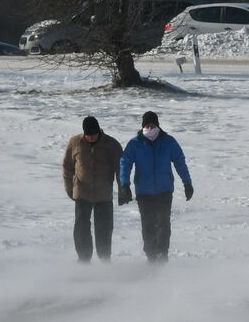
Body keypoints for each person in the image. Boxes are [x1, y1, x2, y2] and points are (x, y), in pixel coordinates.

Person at [119, 111, 194, 262]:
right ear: (143, 127)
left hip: (164, 190)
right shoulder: (135, 143)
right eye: (147, 126)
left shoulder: (168, 142)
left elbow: (180, 161)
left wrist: (187, 182)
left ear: (157, 125)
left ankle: (162, 254)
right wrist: (124, 184)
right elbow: (125, 163)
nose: (150, 128)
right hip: (144, 192)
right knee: (148, 225)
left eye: (152, 125)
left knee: (163, 223)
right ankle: (151, 255)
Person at [63, 115, 124, 263]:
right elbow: (67, 167)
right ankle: (83, 260)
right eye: (88, 135)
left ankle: (105, 259)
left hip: (103, 195)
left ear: (99, 131)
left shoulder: (111, 144)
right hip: (82, 194)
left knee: (104, 229)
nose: (90, 138)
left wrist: (123, 189)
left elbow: (121, 169)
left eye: (93, 135)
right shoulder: (75, 142)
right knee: (81, 228)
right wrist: (70, 189)